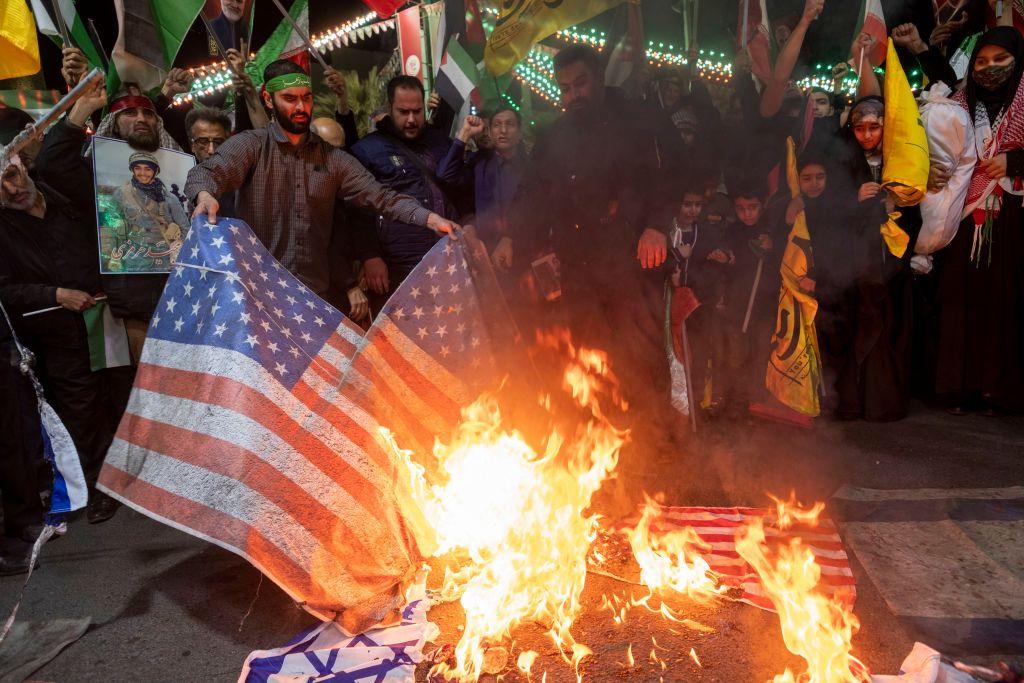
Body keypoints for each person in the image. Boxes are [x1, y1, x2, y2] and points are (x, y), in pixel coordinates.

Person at [184, 60, 459, 303]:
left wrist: (431, 219)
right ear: (269, 100)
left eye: (306, 97)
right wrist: (205, 195)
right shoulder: (251, 146)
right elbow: (205, 172)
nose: (301, 107)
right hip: (260, 294)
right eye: (289, 98)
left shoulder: (333, 159)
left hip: (314, 297)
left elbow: (382, 197)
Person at [515, 45, 679, 432]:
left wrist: (656, 225)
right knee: (589, 350)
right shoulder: (554, 135)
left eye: (581, 84)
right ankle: (602, 438)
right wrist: (519, 242)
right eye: (565, 88)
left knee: (640, 352)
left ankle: (655, 440)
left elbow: (672, 176)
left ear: (599, 77)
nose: (573, 95)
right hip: (579, 265)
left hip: (633, 259)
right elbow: (534, 194)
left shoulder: (641, 120)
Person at [0, 84, 121, 524]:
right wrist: (54, 295)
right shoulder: (3, 229)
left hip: (107, 317)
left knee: (117, 396)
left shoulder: (63, 191)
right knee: (80, 409)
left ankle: (127, 477)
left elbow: (63, 156)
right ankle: (98, 486)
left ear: (22, 166)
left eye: (12, 176)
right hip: (57, 333)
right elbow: (5, 291)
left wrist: (81, 109)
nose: (11, 190)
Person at [933, 27, 1024, 415]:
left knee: (1007, 301)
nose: (990, 68)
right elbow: (941, 151)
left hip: (1014, 221)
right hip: (966, 218)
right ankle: (961, 386)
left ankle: (1002, 390)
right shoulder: (959, 102)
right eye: (982, 62)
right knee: (961, 302)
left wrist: (1016, 161)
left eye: (1001, 60)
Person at [349, 75, 466, 308]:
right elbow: (357, 210)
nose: (411, 119)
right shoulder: (368, 149)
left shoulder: (440, 142)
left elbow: (460, 188)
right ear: (390, 108)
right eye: (403, 112)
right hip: (399, 266)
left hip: (446, 259)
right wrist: (370, 255)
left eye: (417, 111)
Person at [722, 180, 786, 410]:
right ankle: (736, 402)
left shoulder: (771, 232)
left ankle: (757, 400)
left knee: (761, 353)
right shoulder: (732, 231)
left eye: (752, 208)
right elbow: (729, 266)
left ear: (762, 206)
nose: (747, 214)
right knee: (736, 354)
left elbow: (782, 264)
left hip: (765, 305)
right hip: (737, 304)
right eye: (741, 208)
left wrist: (772, 249)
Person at [437, 107, 527, 270]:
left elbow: (537, 211)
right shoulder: (477, 163)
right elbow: (445, 176)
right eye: (497, 125)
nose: (504, 130)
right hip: (483, 252)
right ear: (492, 132)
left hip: (523, 252)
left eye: (510, 124)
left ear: (520, 131)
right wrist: (465, 133)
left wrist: (510, 238)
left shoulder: (533, 166)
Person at [110, 152, 190, 271]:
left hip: (165, 258)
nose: (142, 173)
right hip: (135, 258)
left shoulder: (169, 198)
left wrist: (178, 253)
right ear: (132, 170)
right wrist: (115, 257)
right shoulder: (122, 194)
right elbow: (114, 227)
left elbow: (185, 229)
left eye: (148, 169)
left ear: (155, 171)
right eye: (137, 168)